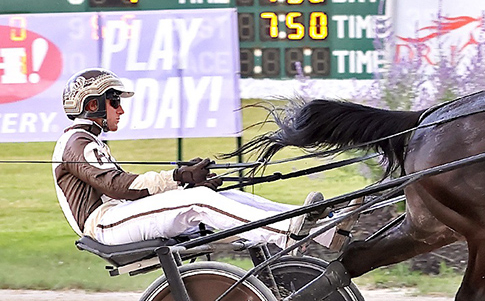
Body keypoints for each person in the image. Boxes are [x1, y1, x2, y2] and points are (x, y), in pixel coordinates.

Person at [52, 68, 331, 249]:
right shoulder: (76, 143)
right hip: (105, 225)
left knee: (224, 197)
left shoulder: (88, 141)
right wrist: (178, 177)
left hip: (118, 218)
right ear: (92, 105)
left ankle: (318, 227)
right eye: (115, 102)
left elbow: (125, 189)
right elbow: (118, 186)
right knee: (198, 201)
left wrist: (184, 182)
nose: (121, 110)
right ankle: (283, 232)